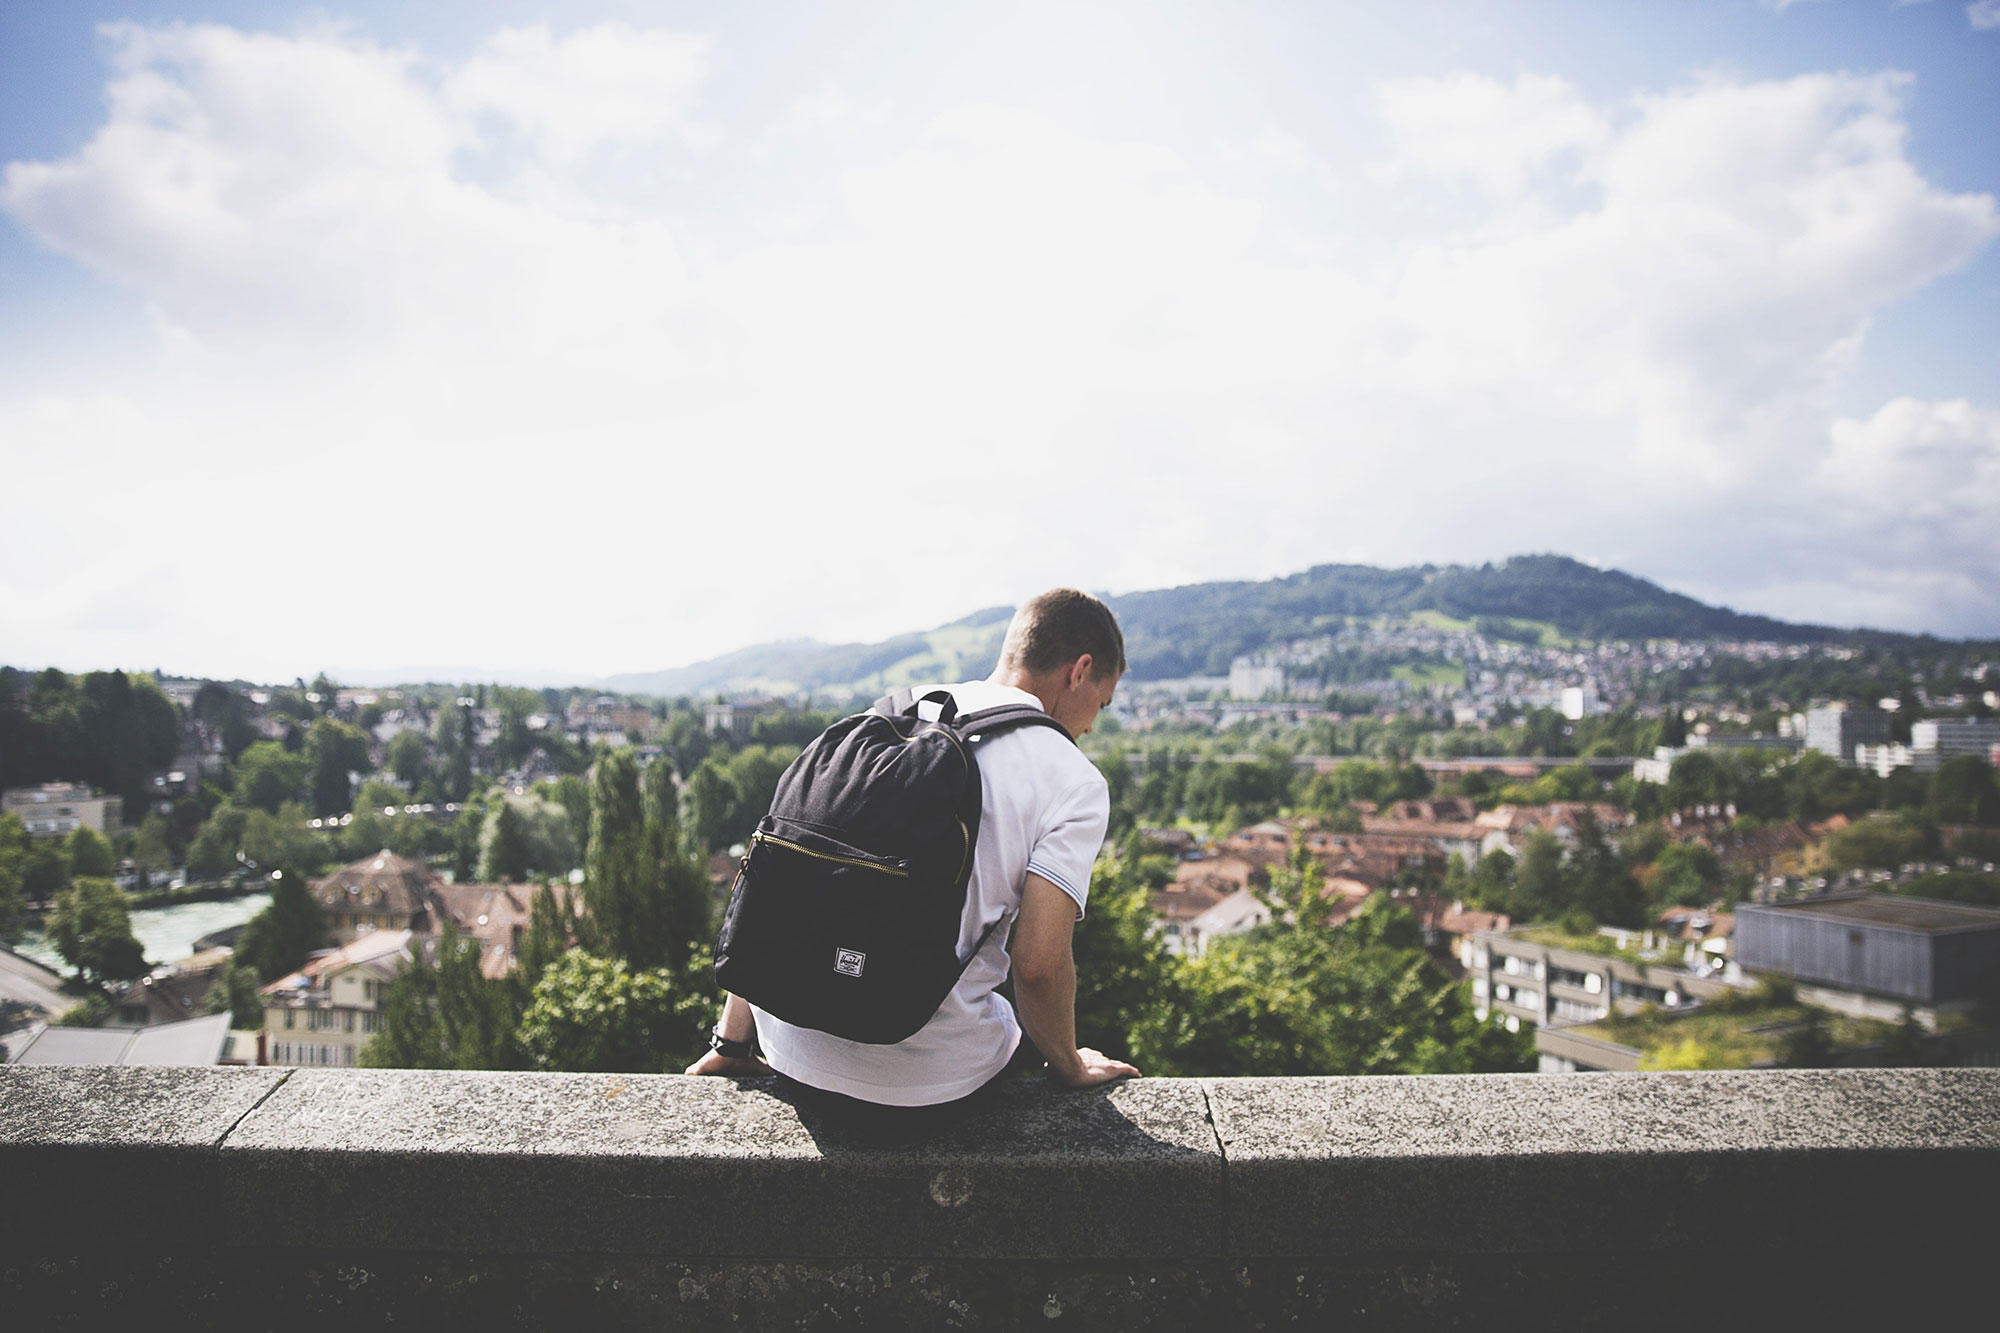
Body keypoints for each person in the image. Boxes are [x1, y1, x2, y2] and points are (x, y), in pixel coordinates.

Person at [685, 588, 1140, 1128]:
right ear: (1080, 671)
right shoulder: (1072, 779)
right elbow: (1039, 967)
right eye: (1102, 703)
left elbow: (785, 879)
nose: (1091, 724)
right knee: (1002, 1033)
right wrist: (1070, 1066)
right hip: (929, 1084)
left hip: (790, 1050)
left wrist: (733, 1042)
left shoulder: (884, 714)